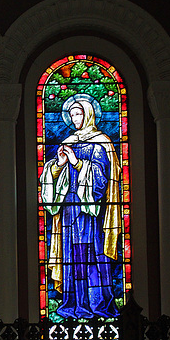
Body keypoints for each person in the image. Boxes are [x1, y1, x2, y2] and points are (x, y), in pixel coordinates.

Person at [40, 96, 122, 319]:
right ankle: (74, 302)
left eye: (79, 114)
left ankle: (98, 304)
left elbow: (102, 180)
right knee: (71, 254)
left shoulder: (101, 142)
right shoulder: (69, 141)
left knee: (92, 254)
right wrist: (58, 164)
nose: (76, 119)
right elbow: (53, 177)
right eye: (73, 114)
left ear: (88, 115)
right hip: (69, 210)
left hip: (91, 212)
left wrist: (77, 162)